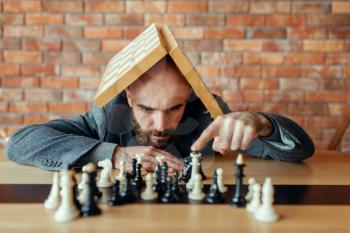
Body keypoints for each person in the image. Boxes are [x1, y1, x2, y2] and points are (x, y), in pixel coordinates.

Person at [5, 55, 314, 171]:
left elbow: (301, 151)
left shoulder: (210, 118)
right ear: (128, 96)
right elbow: (19, 142)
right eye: (146, 108)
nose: (161, 124)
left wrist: (260, 122)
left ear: (190, 97)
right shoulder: (106, 119)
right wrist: (113, 155)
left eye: (174, 107)